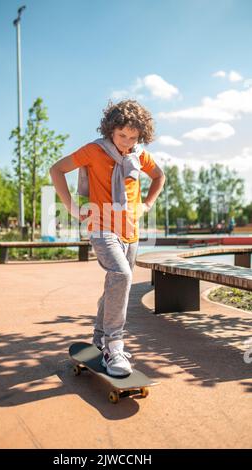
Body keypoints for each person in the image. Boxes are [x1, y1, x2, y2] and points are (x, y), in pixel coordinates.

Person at [50, 99, 165, 376]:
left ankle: (99, 340)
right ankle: (115, 346)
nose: (126, 142)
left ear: (141, 137)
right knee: (122, 276)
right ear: (111, 129)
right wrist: (70, 206)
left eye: (133, 137)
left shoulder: (139, 156)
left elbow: (159, 177)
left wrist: (147, 205)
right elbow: (57, 169)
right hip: (101, 227)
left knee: (114, 283)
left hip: (131, 232)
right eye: (121, 135)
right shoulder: (94, 150)